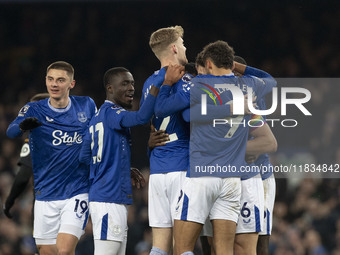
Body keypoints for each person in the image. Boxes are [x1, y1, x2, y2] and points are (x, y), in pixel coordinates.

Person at [154, 40, 277, 254]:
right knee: (223, 250)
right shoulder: (248, 86)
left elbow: (173, 110)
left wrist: (166, 85)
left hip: (203, 174)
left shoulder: (199, 85)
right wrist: (237, 71)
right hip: (231, 180)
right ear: (230, 63)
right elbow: (271, 80)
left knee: (182, 247)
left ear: (208, 64)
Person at [79, 65, 183, 255]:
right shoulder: (113, 113)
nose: (131, 88)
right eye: (125, 83)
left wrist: (119, 169)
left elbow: (84, 156)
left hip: (107, 197)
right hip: (108, 199)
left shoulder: (97, 117)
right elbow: (143, 117)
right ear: (110, 88)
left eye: (133, 83)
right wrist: (162, 81)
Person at [7, 61, 97, 255]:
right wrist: (23, 126)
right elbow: (11, 131)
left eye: (60, 80)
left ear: (71, 84)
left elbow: (101, 136)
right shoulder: (34, 109)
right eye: (50, 79)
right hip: (45, 195)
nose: (54, 84)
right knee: (47, 251)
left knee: (64, 251)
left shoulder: (86, 105)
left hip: (77, 192)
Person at [141, 25, 190, 255]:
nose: (185, 47)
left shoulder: (147, 84)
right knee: (183, 247)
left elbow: (147, 118)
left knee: (159, 247)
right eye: (182, 43)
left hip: (158, 171)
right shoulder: (184, 79)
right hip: (181, 167)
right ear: (173, 48)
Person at [4, 93, 49, 220]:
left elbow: (23, 176)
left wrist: (10, 200)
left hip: (45, 202)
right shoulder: (69, 135)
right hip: (73, 199)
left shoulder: (34, 141)